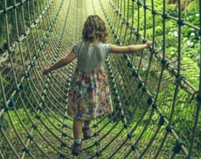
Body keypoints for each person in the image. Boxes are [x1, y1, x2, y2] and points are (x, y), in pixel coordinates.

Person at [43, 15, 153, 156]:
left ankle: (77, 143)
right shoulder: (105, 47)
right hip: (96, 84)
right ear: (102, 31)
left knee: (78, 114)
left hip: (80, 84)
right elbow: (128, 49)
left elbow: (65, 60)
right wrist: (145, 45)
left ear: (85, 30)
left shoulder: (79, 47)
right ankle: (87, 127)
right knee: (92, 106)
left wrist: (49, 69)